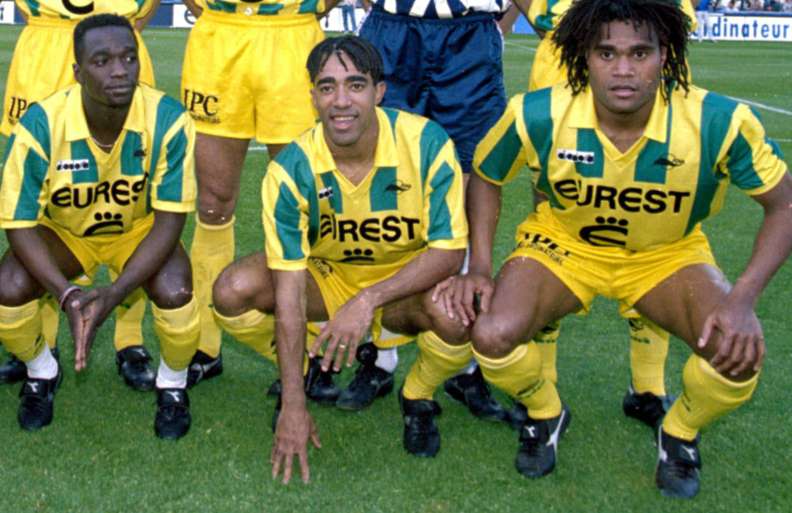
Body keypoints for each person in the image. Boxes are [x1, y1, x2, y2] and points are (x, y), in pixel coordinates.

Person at [437, 0, 791, 498]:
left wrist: (743, 299)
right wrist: (479, 265)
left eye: (639, 53)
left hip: (666, 254)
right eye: (607, 53)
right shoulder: (538, 112)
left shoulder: (719, 121)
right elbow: (486, 176)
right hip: (563, 246)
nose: (623, 69)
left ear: (665, 55)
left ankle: (679, 432)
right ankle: (546, 411)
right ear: (584, 55)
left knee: (737, 354)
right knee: (491, 333)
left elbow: (784, 205)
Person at [211, 36, 470, 483]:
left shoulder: (425, 142)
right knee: (232, 291)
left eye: (356, 85)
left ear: (379, 92)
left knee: (457, 317)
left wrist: (367, 301)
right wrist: (294, 403)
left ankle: (417, 392)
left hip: (403, 285)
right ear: (312, 97)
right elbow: (289, 292)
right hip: (327, 279)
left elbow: (449, 252)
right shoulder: (290, 169)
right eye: (327, 87)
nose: (341, 101)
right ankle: (305, 367)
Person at [482, 0, 701, 434]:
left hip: (646, 103)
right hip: (561, 90)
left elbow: (671, 23)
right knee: (554, 243)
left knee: (653, 233)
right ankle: (544, 381)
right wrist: (553, 28)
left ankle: (648, 387)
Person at [0, 14, 201, 439]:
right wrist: (66, 294)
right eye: (102, 60)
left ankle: (172, 384)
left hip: (137, 231)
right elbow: (18, 224)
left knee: (177, 290)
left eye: (129, 58)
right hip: (66, 234)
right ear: (77, 72)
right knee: (8, 287)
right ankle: (41, 370)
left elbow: (170, 221)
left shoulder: (168, 119)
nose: (119, 70)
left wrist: (116, 291)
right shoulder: (40, 124)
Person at [337, 0, 516, 421]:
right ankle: (380, 356)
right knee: (388, 179)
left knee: (473, 171)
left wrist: (492, 24)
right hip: (393, 31)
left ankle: (467, 363)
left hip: (470, 33)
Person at [0, 0, 161, 393]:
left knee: (133, 198)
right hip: (45, 44)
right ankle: (43, 339)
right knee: (41, 197)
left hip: (109, 40)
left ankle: (129, 340)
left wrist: (120, 27)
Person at [179, 0, 341, 389]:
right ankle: (205, 345)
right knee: (213, 203)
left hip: (292, 38)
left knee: (305, 201)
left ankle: (313, 345)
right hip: (220, 37)